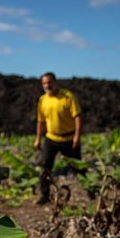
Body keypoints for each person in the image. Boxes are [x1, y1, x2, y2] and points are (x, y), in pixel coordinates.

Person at [33, 72, 82, 204]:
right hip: (51, 138)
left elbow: (77, 116)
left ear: (55, 82)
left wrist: (77, 136)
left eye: (49, 82)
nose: (47, 85)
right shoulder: (42, 100)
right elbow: (41, 122)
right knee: (45, 167)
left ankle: (90, 191)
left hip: (69, 138)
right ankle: (45, 195)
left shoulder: (67, 96)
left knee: (79, 167)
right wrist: (38, 138)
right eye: (44, 83)